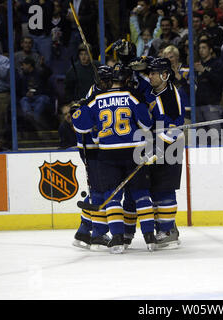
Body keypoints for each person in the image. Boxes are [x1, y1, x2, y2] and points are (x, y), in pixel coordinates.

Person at [72, 63, 155, 254]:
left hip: (107, 154)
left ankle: (117, 239)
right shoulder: (132, 96)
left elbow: (80, 125)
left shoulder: (96, 98)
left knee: (112, 196)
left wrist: (83, 105)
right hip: (132, 152)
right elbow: (147, 123)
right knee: (141, 194)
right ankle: (150, 238)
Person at [71, 64, 114, 252]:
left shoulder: (93, 94)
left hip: (89, 149)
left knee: (97, 188)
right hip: (93, 149)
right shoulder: (96, 97)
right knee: (100, 191)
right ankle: (98, 233)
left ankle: (83, 230)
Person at [145, 57, 186, 248]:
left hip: (170, 147)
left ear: (164, 75)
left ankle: (168, 231)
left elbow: (175, 129)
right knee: (154, 189)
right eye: (149, 72)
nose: (150, 76)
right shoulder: (153, 91)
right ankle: (166, 226)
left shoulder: (172, 96)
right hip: (155, 146)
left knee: (164, 188)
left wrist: (158, 149)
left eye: (153, 73)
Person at [194, 39, 223, 145]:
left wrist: (204, 71)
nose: (201, 50)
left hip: (212, 105)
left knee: (215, 138)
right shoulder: (197, 66)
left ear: (210, 50)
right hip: (198, 106)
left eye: (204, 48)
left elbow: (219, 80)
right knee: (201, 139)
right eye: (199, 48)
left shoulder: (217, 64)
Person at [16, 57, 53, 131]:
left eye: (23, 65)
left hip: (40, 96)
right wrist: (26, 94)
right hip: (29, 98)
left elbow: (49, 73)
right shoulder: (23, 76)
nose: (21, 67)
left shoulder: (40, 73)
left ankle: (34, 119)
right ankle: (29, 117)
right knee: (23, 100)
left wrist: (43, 65)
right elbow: (21, 91)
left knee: (42, 99)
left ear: (29, 65)